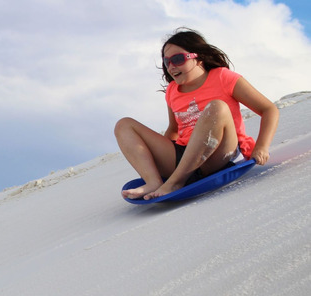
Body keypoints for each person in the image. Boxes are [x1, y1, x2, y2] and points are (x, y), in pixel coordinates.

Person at [115, 28, 279, 200]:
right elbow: (174, 129)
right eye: (167, 61)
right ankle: (154, 181)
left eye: (178, 59)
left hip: (221, 154)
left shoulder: (223, 77)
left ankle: (175, 182)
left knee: (217, 108)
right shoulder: (172, 90)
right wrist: (161, 156)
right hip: (186, 158)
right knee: (124, 125)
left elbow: (269, 110)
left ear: (199, 58)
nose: (171, 66)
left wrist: (261, 147)